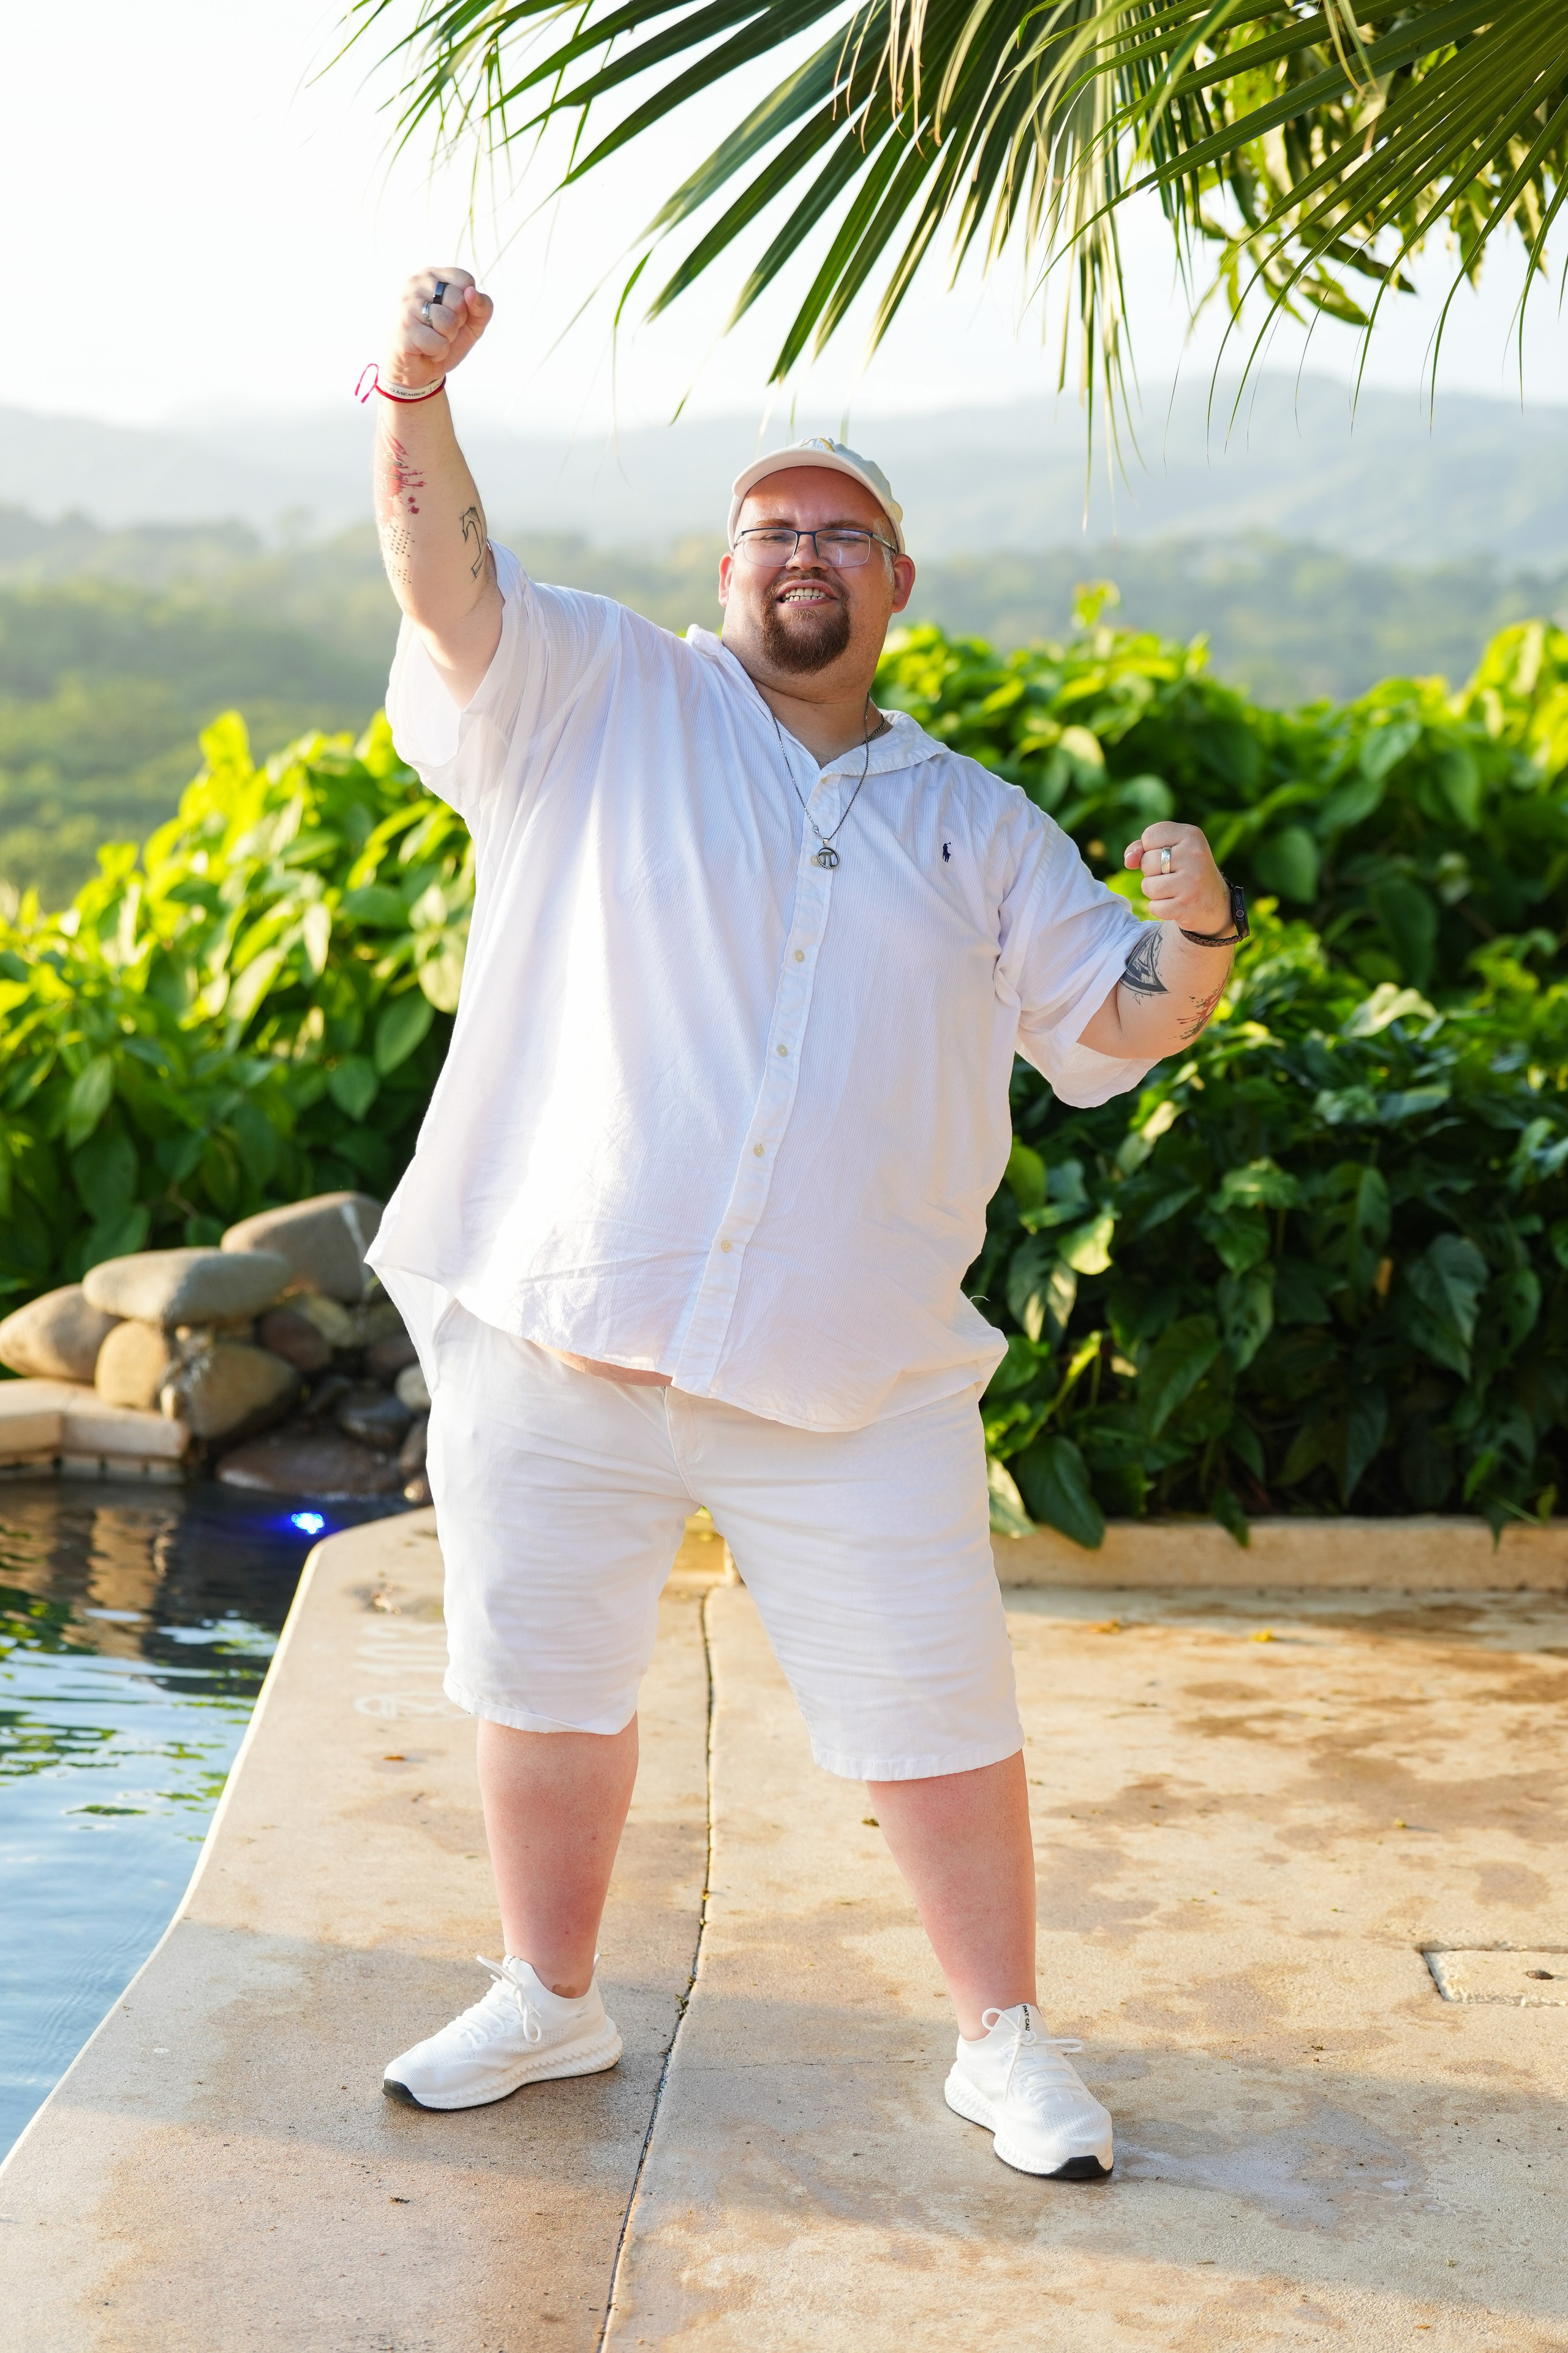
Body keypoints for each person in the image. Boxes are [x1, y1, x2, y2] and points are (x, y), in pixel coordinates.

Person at [364, 266, 1245, 2181]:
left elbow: (1119, 1018)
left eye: (843, 531)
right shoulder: (595, 689)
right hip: (557, 1323)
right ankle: (548, 1990)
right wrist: (416, 396)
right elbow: (445, 587)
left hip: (847, 1372)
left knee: (937, 1709)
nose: (804, 554)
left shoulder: (979, 821)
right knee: (541, 1678)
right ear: (727, 562)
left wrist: (1196, 933)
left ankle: (1001, 2041)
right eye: (773, 526)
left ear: (897, 586)